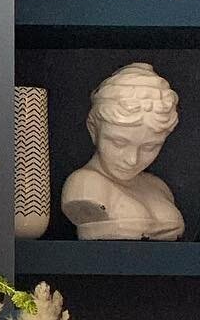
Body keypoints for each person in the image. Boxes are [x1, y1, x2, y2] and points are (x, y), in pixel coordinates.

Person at [61, 62, 186, 239]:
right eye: (119, 143)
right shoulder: (83, 185)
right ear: (93, 130)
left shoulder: (158, 186)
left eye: (149, 147)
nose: (132, 160)